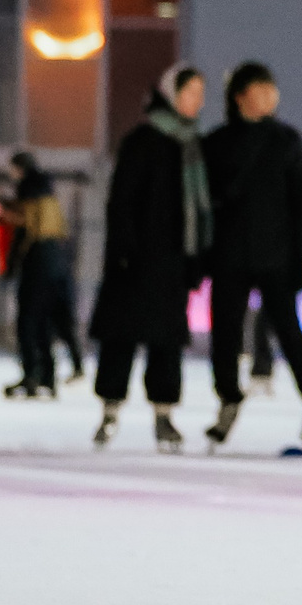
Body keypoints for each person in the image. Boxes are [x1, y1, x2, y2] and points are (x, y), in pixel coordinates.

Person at [201, 62, 302, 453]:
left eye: (272, 89)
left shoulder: (287, 141)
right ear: (241, 97)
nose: (271, 97)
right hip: (229, 254)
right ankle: (228, 398)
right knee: (224, 331)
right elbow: (204, 203)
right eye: (262, 90)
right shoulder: (217, 143)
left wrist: (300, 253)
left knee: (288, 329)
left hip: (276, 254)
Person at [91, 66, 210, 454]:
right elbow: (121, 201)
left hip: (173, 262)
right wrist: (124, 251)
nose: (197, 100)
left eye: (200, 93)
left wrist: (196, 259)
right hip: (136, 260)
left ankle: (164, 414)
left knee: (166, 342)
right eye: (190, 92)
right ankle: (109, 411)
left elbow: (201, 211)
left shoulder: (193, 147)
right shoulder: (142, 141)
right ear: (171, 94)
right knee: (121, 338)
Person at [3, 154, 82, 397]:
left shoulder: (27, 191)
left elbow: (24, 230)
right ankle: (47, 376)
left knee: (27, 321)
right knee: (45, 321)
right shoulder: (49, 192)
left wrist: (11, 267)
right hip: (55, 264)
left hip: (36, 263)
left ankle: (32, 374)